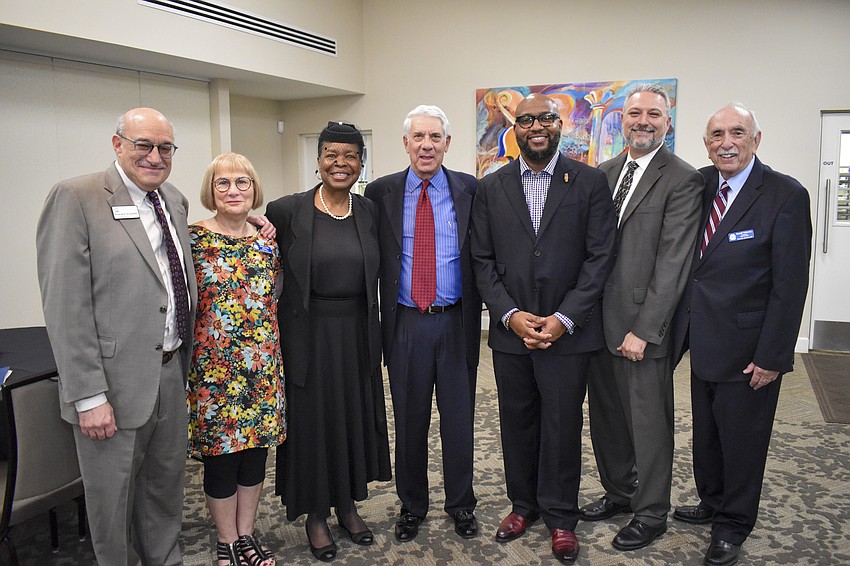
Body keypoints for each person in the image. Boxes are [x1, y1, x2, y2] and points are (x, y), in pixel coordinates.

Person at [37, 107, 196, 565]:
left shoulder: (174, 200)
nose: (154, 156)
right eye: (143, 145)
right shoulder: (76, 197)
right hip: (110, 385)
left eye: (165, 147)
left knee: (165, 493)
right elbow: (66, 307)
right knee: (113, 505)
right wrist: (88, 396)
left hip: (169, 373)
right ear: (117, 144)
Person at [471, 93, 616, 563]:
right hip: (511, 334)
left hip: (567, 336)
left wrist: (563, 318)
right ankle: (523, 506)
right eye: (527, 119)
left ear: (560, 126)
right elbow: (482, 260)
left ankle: (560, 516)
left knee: (561, 425)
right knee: (516, 422)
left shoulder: (590, 182)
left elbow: (600, 259)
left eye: (546, 119)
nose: (537, 126)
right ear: (515, 127)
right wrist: (510, 315)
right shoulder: (492, 186)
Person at [671, 104, 812, 566]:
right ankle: (712, 501)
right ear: (706, 142)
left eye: (737, 132)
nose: (725, 142)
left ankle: (732, 526)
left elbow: (789, 287)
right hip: (703, 339)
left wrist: (773, 355)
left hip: (750, 348)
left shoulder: (785, 195)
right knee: (707, 435)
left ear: (756, 139)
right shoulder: (700, 183)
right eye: (716, 134)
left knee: (743, 441)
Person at [581, 84, 704, 550]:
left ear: (668, 123)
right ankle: (618, 492)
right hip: (597, 323)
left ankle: (651, 512)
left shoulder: (682, 178)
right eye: (635, 114)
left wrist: (645, 329)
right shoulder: (606, 172)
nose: (643, 121)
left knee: (649, 424)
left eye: (654, 114)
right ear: (622, 120)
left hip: (640, 328)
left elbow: (674, 264)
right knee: (608, 418)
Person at [265, 122, 391, 562]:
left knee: (351, 417)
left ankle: (348, 506)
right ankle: (316, 515)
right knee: (314, 425)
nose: (341, 164)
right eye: (331, 155)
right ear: (318, 160)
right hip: (308, 335)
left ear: (361, 162)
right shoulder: (285, 210)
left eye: (350, 156)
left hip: (356, 332)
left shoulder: (370, 210)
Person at [364, 105, 481, 542]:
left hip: (456, 323)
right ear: (406, 143)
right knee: (409, 422)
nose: (426, 145)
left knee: (459, 422)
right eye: (419, 137)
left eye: (435, 137)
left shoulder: (470, 189)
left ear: (447, 144)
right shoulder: (380, 193)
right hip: (406, 325)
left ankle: (461, 505)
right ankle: (411, 505)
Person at [187, 153, 285, 566]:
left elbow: (275, 294)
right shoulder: (192, 238)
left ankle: (247, 535)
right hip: (214, 371)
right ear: (211, 191)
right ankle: (226, 541)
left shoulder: (267, 241)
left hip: (262, 368)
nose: (233, 191)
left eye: (242, 183)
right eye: (223, 183)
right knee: (222, 458)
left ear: (254, 190)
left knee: (255, 455)